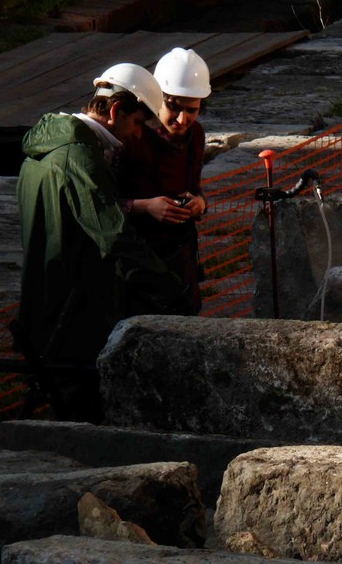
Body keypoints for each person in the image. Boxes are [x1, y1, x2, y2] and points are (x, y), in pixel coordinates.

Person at [16, 62, 188, 421]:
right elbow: (113, 237)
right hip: (74, 310)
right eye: (138, 123)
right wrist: (169, 289)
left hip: (44, 296)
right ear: (114, 111)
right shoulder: (80, 157)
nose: (139, 135)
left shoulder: (47, 148)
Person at [120, 47, 211, 316]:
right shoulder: (133, 135)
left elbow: (194, 186)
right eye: (173, 106)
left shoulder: (195, 135)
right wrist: (145, 206)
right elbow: (101, 206)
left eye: (192, 110)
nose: (182, 120)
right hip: (137, 256)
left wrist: (199, 203)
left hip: (179, 253)